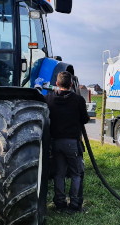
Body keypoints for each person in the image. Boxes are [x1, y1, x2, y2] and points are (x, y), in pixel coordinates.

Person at [41, 71, 90, 213]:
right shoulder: (78, 100)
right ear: (71, 84)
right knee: (76, 174)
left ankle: (60, 204)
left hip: (55, 143)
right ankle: (74, 205)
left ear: (57, 83)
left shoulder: (48, 99)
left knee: (59, 173)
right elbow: (85, 119)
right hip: (72, 144)